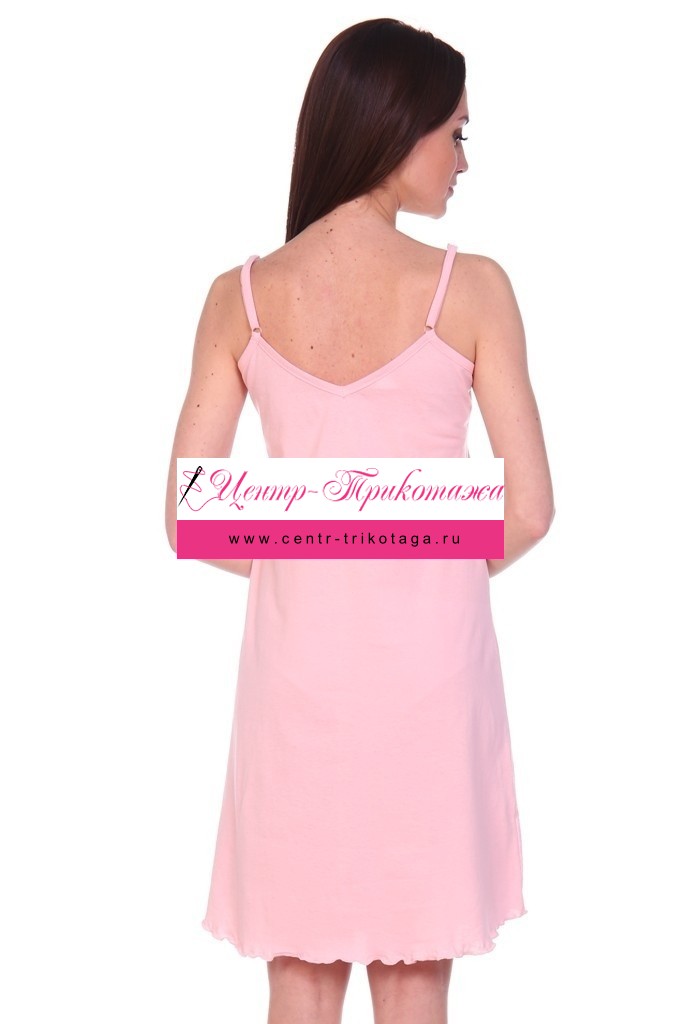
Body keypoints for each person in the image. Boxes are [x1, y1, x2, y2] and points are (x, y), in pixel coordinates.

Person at [165, 17, 554, 1024]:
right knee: (414, 975)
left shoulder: (241, 297)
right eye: (456, 132)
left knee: (297, 977)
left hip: (295, 680)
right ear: (396, 124)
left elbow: (193, 513)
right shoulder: (471, 288)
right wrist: (413, 554)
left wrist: (321, 555)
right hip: (431, 676)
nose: (463, 159)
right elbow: (528, 507)